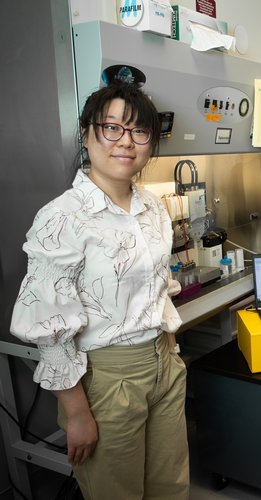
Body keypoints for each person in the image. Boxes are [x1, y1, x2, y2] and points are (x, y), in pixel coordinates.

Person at [10, 81, 189, 499]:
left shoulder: (152, 208)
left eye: (139, 131)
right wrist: (76, 413)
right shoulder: (62, 218)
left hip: (163, 364)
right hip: (108, 378)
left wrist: (171, 348)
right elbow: (48, 325)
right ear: (87, 134)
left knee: (172, 486)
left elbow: (161, 284)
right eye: (112, 128)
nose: (126, 142)